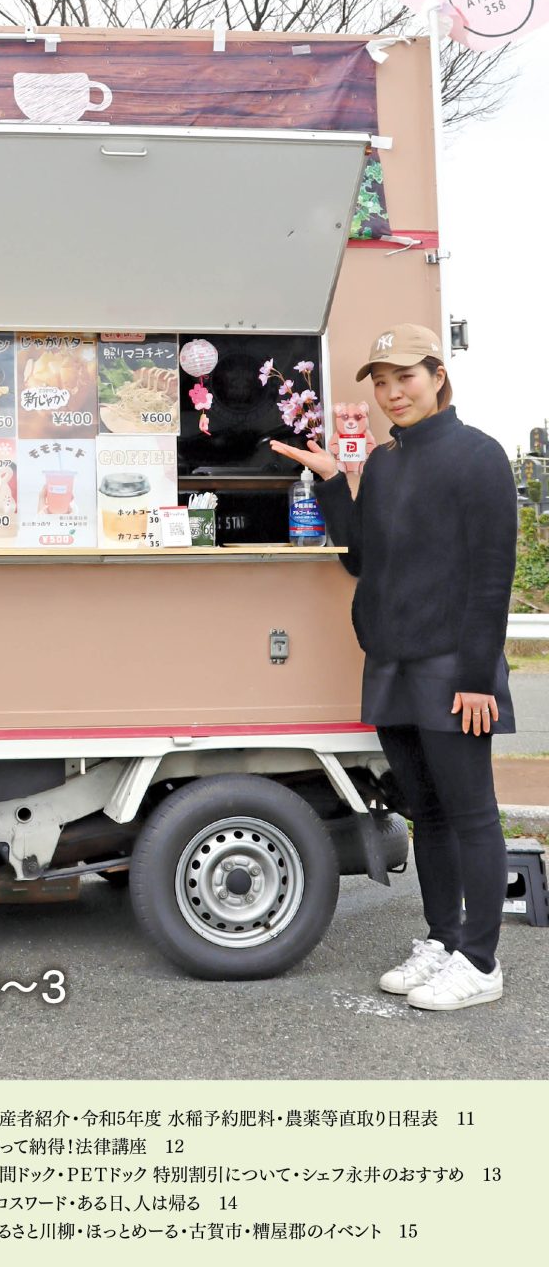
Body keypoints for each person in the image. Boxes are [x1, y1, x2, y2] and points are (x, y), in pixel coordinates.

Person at [270, 322, 517, 1012]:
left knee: (472, 814)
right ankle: (443, 939)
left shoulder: (480, 457)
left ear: (438, 375)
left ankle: (481, 960)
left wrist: (476, 678)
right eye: (380, 382)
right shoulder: (384, 462)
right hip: (391, 663)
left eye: (404, 377)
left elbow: (493, 576)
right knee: (427, 813)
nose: (391, 392)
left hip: (453, 667)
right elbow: (360, 557)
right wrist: (332, 482)